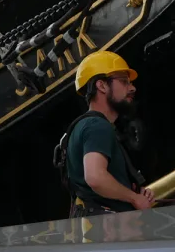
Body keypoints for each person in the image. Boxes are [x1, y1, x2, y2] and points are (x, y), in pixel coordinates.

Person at [62, 51, 154, 216]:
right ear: (102, 86)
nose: (132, 87)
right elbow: (96, 178)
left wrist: (135, 193)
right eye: (124, 81)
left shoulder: (84, 127)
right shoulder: (97, 126)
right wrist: (134, 198)